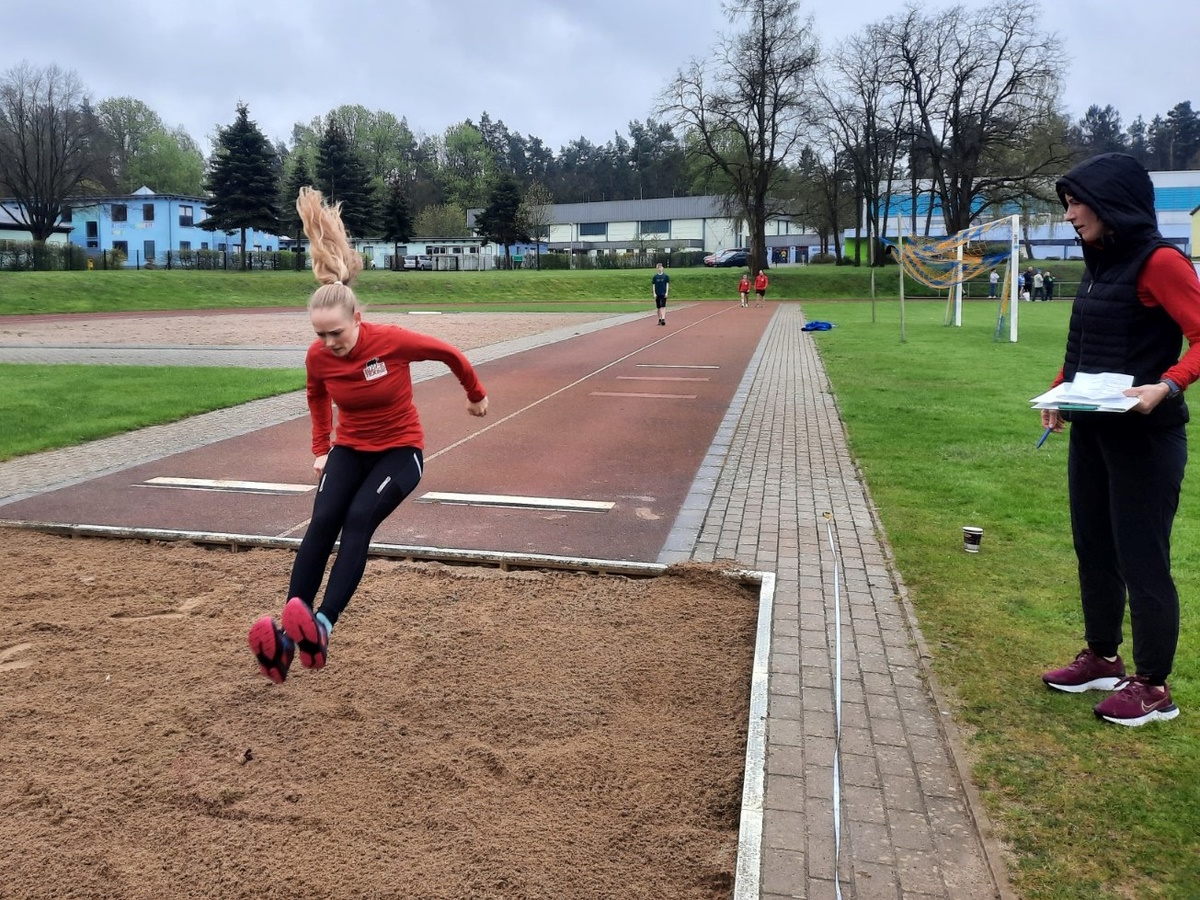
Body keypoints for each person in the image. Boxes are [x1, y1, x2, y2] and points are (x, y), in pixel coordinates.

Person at [248, 187, 489, 683]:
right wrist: (321, 448)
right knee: (321, 523)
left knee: (357, 519)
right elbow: (316, 397)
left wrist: (475, 394)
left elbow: (449, 353)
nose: (329, 344)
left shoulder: (391, 341)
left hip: (400, 453)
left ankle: (322, 626)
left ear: (357, 318)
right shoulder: (318, 358)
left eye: (336, 333)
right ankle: (289, 642)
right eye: (320, 335)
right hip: (350, 449)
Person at [1039, 153, 1200, 726]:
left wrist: (1168, 384)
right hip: (1094, 433)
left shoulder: (1160, 262)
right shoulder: (1100, 259)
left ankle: (1154, 688)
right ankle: (1102, 658)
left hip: (1145, 440)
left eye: (1076, 202)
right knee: (1095, 551)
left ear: (1111, 203)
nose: (1070, 215)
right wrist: (1059, 392)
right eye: (1066, 204)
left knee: (1142, 561)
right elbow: (1086, 344)